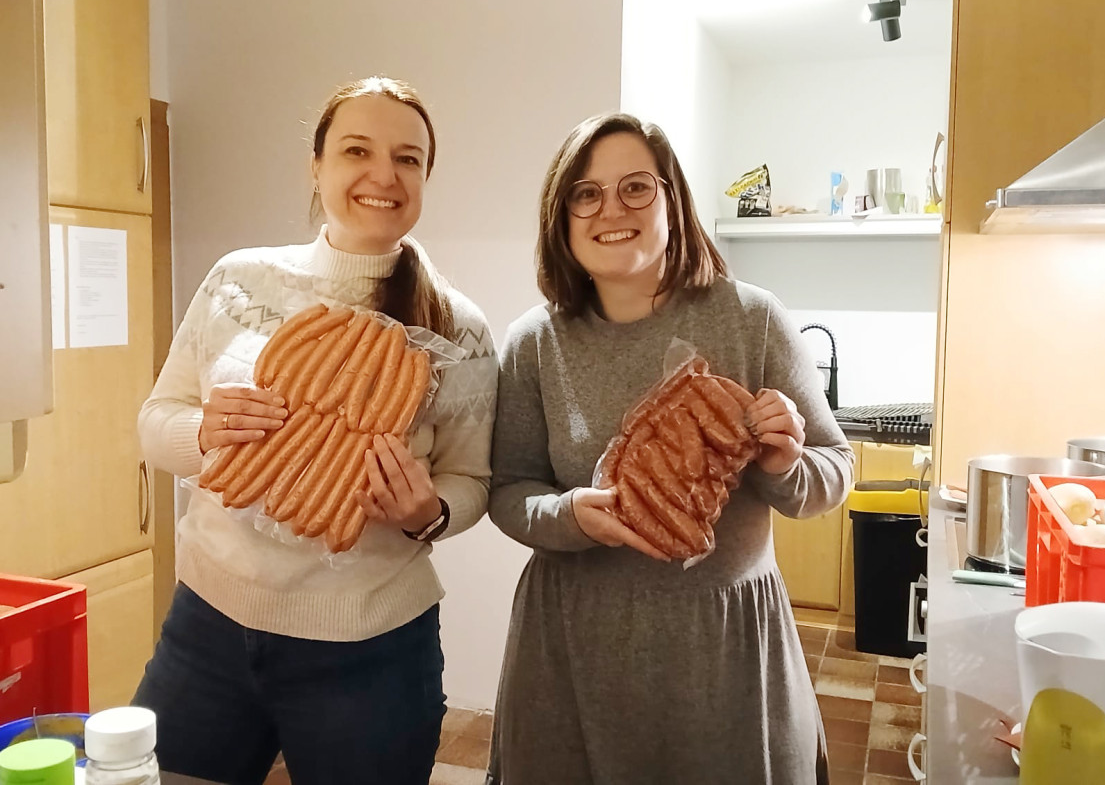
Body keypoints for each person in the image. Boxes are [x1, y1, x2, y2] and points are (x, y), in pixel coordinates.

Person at [134, 76, 497, 785]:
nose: (383, 175)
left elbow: (473, 480)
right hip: (207, 628)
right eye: (357, 150)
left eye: (408, 159)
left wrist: (428, 512)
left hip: (371, 649)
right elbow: (154, 420)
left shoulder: (459, 328)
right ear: (316, 165)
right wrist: (202, 433)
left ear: (425, 177)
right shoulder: (239, 280)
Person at [487, 113, 855, 785]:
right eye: (586, 193)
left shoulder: (749, 318)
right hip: (571, 639)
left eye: (635, 187)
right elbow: (509, 490)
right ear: (561, 216)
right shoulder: (535, 342)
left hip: (722, 644)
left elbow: (835, 469)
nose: (611, 210)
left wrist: (784, 464)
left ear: (671, 200)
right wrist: (570, 516)